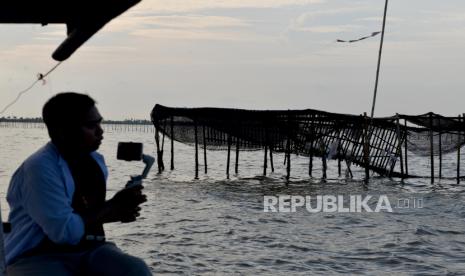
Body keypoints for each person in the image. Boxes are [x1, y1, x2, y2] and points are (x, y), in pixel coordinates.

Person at [4, 92, 152, 275]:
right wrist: (111, 207)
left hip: (89, 249)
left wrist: (118, 211)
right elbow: (65, 233)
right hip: (36, 255)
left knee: (136, 270)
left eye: (99, 122)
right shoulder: (39, 169)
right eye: (91, 125)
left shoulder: (96, 161)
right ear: (63, 131)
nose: (100, 130)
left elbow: (89, 214)